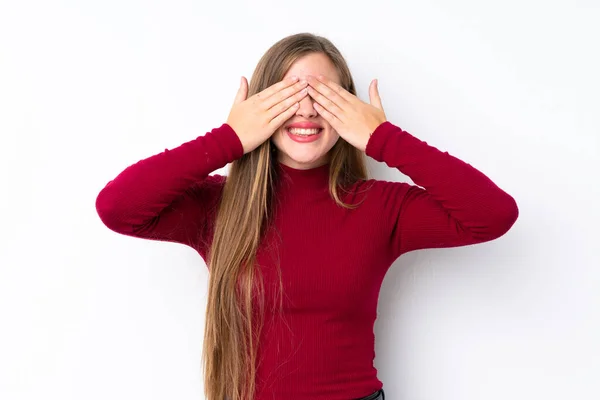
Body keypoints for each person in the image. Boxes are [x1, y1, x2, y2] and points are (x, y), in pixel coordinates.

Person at [95, 32, 519, 400]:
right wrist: (229, 139)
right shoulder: (219, 208)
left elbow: (493, 215)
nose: (307, 111)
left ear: (349, 110)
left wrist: (383, 138)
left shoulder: (379, 206)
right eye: (288, 95)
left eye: (323, 96)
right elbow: (118, 208)